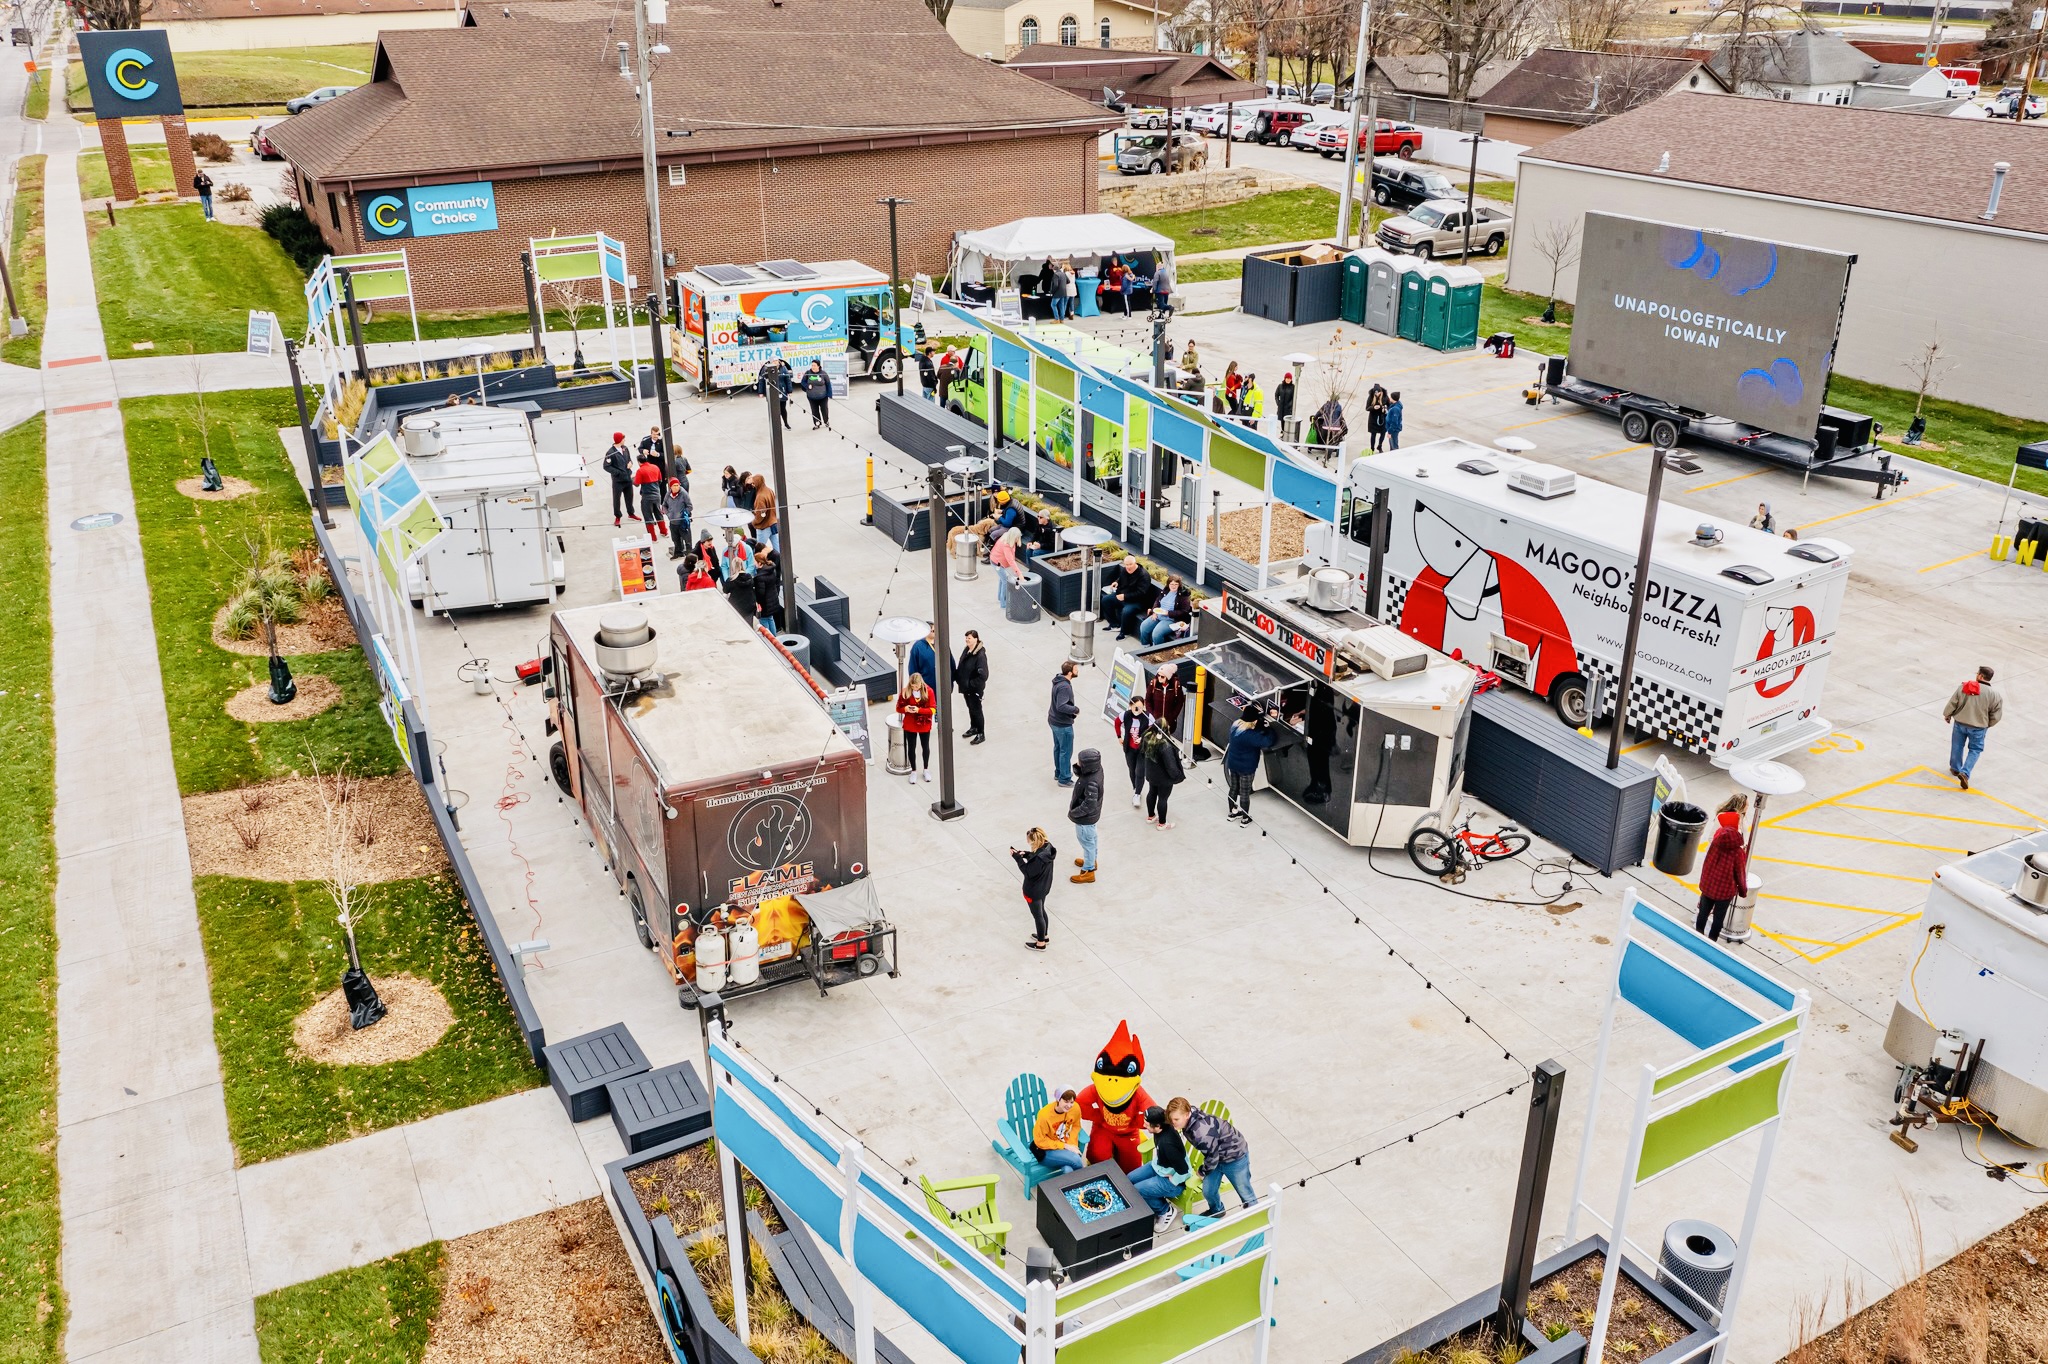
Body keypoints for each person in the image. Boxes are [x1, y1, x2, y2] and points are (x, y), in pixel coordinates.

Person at [1169, 1096, 1255, 1218]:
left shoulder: (1200, 1133)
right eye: (1171, 1119)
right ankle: (1217, 1210)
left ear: (1187, 1115)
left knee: (1245, 1192)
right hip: (1216, 1156)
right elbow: (1213, 1155)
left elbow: (1212, 1157)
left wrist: (1202, 1172)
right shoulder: (1188, 1119)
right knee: (1208, 1191)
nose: (1173, 1122)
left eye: (1176, 1119)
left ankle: (1254, 1216)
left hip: (1235, 1157)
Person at [1695, 794, 1750, 941]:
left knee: (1703, 913)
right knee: (1718, 919)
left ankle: (1698, 936)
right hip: (1725, 891)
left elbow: (1707, 865)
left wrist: (1704, 882)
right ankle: (1712, 941)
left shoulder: (1714, 846)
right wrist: (1743, 891)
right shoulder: (1738, 852)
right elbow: (1740, 873)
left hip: (1709, 886)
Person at [1127, 1106, 1191, 1231]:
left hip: (1174, 1182)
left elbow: (1184, 1170)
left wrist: (1173, 1180)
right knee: (1129, 1180)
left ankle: (1165, 1211)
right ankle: (1152, 1200)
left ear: (1157, 1126)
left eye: (1147, 1123)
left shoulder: (1168, 1145)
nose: (1144, 1124)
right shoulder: (1161, 1130)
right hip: (1159, 1167)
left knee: (1138, 1190)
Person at [1944, 665, 2002, 790]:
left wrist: (1947, 714)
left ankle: (1955, 768)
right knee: (1975, 749)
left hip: (1960, 723)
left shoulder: (1965, 687)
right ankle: (1965, 772)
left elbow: (1953, 702)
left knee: (1957, 745)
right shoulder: (1995, 695)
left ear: (1980, 676)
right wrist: (1986, 724)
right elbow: (1996, 715)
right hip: (1979, 727)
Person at [1223, 707, 1277, 824]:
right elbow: (1268, 741)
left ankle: (1232, 813)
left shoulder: (1235, 725)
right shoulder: (1250, 736)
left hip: (1233, 763)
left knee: (1233, 788)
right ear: (1254, 721)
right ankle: (1245, 819)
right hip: (1246, 767)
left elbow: (1252, 732)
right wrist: (1270, 728)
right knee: (1244, 792)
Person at [1011, 828, 1057, 950]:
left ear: (1034, 841)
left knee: (1038, 916)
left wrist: (1017, 858)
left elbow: (1028, 871)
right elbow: (1036, 858)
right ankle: (1044, 935)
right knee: (1042, 910)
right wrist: (1025, 854)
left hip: (1034, 891)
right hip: (1044, 887)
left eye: (1029, 842)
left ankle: (1040, 943)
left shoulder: (1039, 858)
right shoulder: (1047, 848)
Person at [1100, 556, 1158, 640]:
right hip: (1122, 595)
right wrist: (1116, 582)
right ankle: (1114, 625)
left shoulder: (1144, 576)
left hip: (1136, 601)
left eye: (1130, 564)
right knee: (1105, 600)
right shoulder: (1125, 570)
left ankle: (1124, 632)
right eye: (1126, 564)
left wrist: (1125, 596)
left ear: (1135, 563)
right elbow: (1121, 578)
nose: (1128, 567)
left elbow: (1141, 593)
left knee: (1126, 611)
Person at [1068, 748, 1103, 883]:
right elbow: (1082, 776)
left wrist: (1074, 812)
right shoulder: (1096, 770)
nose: (1078, 763)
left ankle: (1089, 871)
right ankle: (1091, 860)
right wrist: (1078, 767)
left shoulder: (1091, 782)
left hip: (1085, 819)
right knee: (1092, 839)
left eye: (1080, 762)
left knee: (1087, 842)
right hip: (1091, 817)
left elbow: (1089, 805)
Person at [1031, 1089, 1087, 1171]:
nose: (1069, 1105)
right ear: (1058, 1099)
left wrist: (1071, 1144)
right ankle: (1084, 1179)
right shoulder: (1044, 1115)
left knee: (1068, 1170)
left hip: (1064, 1147)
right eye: (1066, 1101)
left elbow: (1076, 1126)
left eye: (1071, 1102)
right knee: (1076, 1160)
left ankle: (1072, 1183)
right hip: (1044, 1150)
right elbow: (1040, 1141)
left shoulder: (1075, 1108)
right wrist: (1065, 1146)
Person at [1141, 725, 1184, 830]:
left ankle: (1151, 816)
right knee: (1163, 798)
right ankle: (1162, 823)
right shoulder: (1165, 746)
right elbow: (1171, 766)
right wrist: (1177, 776)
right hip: (1164, 778)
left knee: (1152, 792)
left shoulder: (1147, 739)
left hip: (1152, 774)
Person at [897, 673, 936, 783]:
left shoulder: (929, 691)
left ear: (921, 683)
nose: (915, 688)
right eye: (913, 686)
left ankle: (926, 769)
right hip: (910, 723)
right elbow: (898, 708)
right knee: (911, 747)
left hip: (924, 723)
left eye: (917, 686)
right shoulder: (905, 691)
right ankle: (913, 771)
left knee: (925, 746)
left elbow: (932, 709)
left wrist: (919, 710)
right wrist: (906, 708)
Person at [1117, 696, 1155, 807]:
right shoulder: (1126, 715)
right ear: (1130, 706)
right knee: (1131, 769)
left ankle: (1137, 794)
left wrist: (1143, 738)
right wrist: (1119, 736)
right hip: (1129, 749)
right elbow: (1117, 722)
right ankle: (1135, 787)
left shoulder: (1148, 717)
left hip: (1142, 750)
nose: (1138, 710)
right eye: (1135, 707)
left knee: (1140, 772)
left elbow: (1153, 729)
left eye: (1140, 707)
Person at [1139, 574, 1192, 647]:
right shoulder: (1165, 591)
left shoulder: (1183, 596)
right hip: (1159, 615)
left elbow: (1184, 611)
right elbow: (1157, 601)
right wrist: (1154, 612)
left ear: (1179, 585)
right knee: (1143, 626)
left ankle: (1158, 649)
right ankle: (1146, 645)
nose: (1173, 586)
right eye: (1171, 584)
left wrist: (1168, 613)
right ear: (1168, 584)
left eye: (1176, 584)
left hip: (1171, 619)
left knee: (1156, 634)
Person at [955, 630, 989, 743]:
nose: (967, 640)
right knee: (971, 709)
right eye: (966, 638)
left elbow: (983, 675)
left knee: (977, 710)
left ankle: (981, 733)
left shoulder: (980, 656)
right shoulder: (967, 649)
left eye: (969, 638)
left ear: (976, 639)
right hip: (966, 688)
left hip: (973, 689)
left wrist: (971, 684)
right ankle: (973, 727)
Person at [1049, 661, 1080, 785]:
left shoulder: (1058, 681)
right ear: (1069, 672)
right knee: (1065, 751)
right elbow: (1061, 706)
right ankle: (1065, 778)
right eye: (1076, 669)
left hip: (1054, 720)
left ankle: (1059, 772)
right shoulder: (1065, 687)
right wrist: (1075, 710)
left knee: (1058, 748)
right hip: (1063, 724)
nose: (1077, 671)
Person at [604, 433, 637, 526]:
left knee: (629, 497)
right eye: (623, 438)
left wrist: (630, 463)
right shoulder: (610, 453)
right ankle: (617, 516)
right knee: (616, 499)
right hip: (618, 481)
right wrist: (618, 472)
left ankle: (631, 513)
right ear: (619, 440)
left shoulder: (625, 448)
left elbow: (629, 459)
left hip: (628, 478)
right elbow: (606, 466)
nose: (625, 440)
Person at [634, 453, 667, 540]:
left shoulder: (640, 471)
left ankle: (653, 537)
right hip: (657, 495)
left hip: (647, 497)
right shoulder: (655, 467)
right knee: (659, 514)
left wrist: (631, 478)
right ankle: (664, 532)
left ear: (639, 462)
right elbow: (660, 480)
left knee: (648, 517)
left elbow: (636, 484)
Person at [991, 526, 1024, 611]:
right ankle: (1003, 603)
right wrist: (1019, 574)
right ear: (1014, 537)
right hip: (997, 563)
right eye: (1017, 537)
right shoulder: (1006, 545)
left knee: (1002, 579)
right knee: (1005, 581)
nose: (1018, 539)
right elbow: (1011, 560)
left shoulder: (1007, 537)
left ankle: (1000, 597)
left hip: (997, 561)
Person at [752, 547, 782, 634]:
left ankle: (769, 640)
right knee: (770, 619)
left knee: (764, 621)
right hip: (773, 600)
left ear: (759, 563)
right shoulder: (771, 570)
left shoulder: (760, 577)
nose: (754, 563)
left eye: (755, 561)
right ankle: (774, 637)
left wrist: (758, 603)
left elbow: (760, 593)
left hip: (765, 604)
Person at [747, 472, 779, 553]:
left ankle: (757, 565)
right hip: (773, 523)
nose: (753, 485)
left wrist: (754, 522)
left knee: (759, 549)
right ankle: (780, 563)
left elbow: (761, 515)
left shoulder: (760, 497)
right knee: (777, 547)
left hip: (764, 526)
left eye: (754, 483)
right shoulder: (769, 490)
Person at [662, 476, 693, 558]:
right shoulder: (668, 494)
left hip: (682, 522)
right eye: (674, 486)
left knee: (687, 539)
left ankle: (689, 553)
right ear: (670, 487)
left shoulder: (684, 494)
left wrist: (683, 514)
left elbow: (690, 506)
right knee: (675, 539)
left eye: (677, 485)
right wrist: (668, 514)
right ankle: (679, 552)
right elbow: (664, 505)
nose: (676, 487)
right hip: (673, 522)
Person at [760, 356, 793, 429]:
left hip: (782, 390)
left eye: (777, 361)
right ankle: (778, 425)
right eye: (774, 361)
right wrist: (761, 392)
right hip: (772, 392)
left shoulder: (783, 368)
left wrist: (789, 391)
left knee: (783, 409)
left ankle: (786, 423)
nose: (776, 363)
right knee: (774, 410)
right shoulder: (766, 369)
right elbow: (762, 380)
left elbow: (788, 380)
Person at [908, 626, 939, 694]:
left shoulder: (941, 643)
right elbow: (913, 668)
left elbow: (950, 662)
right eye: (932, 631)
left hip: (942, 684)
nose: (934, 633)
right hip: (926, 685)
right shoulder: (918, 647)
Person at [802, 360, 831, 429]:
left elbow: (828, 384)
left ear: (818, 366)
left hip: (823, 396)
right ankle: (817, 423)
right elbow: (803, 382)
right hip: (811, 397)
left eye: (814, 365)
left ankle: (826, 421)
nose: (813, 367)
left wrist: (829, 394)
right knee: (814, 410)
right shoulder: (808, 373)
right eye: (812, 365)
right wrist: (807, 386)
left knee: (824, 409)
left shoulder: (823, 373)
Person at [1366, 383, 1390, 452]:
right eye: (1375, 393)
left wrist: (1385, 409)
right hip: (1373, 418)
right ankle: (1372, 448)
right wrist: (1373, 407)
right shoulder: (1370, 397)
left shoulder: (1385, 396)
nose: (1377, 395)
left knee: (1383, 433)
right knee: (1373, 434)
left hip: (1382, 417)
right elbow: (1367, 408)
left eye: (1378, 393)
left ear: (1380, 392)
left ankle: (1379, 446)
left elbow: (1389, 405)